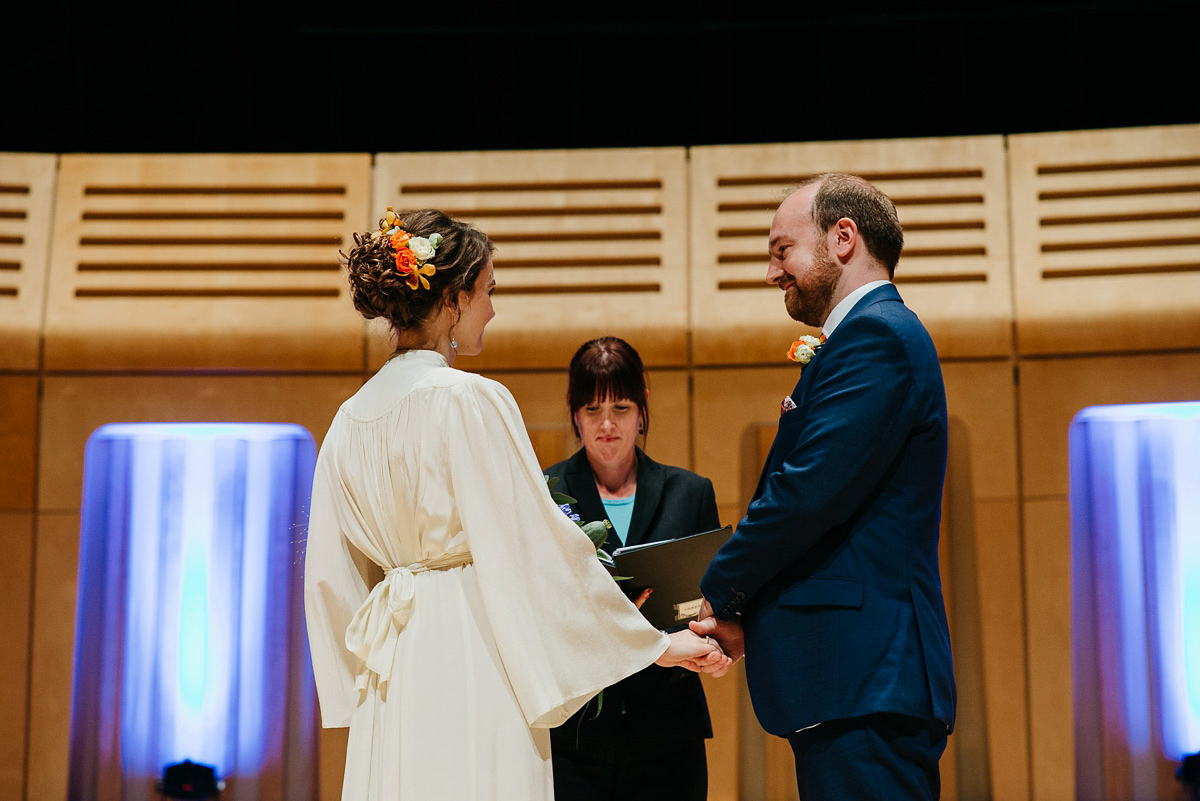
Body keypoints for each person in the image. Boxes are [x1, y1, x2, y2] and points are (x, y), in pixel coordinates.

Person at [303, 208, 730, 801]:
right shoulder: (471, 399)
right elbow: (537, 548)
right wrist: (654, 644)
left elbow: (330, 574)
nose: (494, 309)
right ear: (453, 299)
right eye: (488, 291)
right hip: (472, 643)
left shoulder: (349, 418)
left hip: (389, 662)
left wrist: (354, 681)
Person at [692, 174, 957, 800]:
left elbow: (805, 493)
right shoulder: (871, 337)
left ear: (843, 238)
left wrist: (721, 592)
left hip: (867, 679)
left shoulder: (877, 336)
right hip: (855, 682)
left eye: (781, 249)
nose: (771, 273)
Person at [545, 337, 720, 801]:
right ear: (574, 414)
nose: (607, 425)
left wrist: (717, 642)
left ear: (642, 410)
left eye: (621, 408)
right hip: (577, 736)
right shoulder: (545, 493)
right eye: (592, 409)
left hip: (668, 735)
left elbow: (713, 601)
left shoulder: (691, 492)